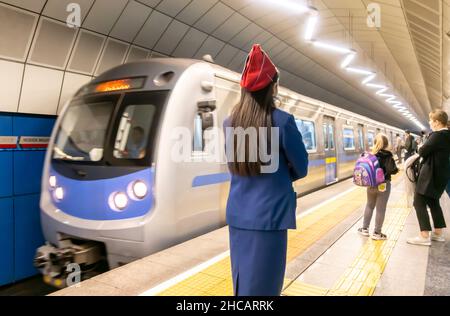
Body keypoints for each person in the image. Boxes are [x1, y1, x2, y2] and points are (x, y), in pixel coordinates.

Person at [224, 44, 309, 296]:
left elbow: (236, 166)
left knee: (242, 282)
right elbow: (302, 167)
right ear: (273, 87)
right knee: (265, 287)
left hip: (239, 217)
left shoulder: (230, 123)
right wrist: (282, 175)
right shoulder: (282, 121)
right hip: (270, 218)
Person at [408, 110, 450, 246]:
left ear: (437, 122)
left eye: (431, 120)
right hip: (440, 175)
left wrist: (421, 147)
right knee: (433, 202)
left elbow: (422, 151)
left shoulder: (438, 135)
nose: (430, 123)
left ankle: (424, 235)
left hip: (430, 176)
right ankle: (438, 233)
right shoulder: (447, 135)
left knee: (418, 202)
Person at [358, 134, 399, 240]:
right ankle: (377, 232)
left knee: (369, 206)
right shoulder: (388, 155)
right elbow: (392, 170)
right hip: (383, 185)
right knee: (381, 209)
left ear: (375, 143)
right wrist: (396, 169)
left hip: (371, 184)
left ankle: (364, 229)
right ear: (387, 144)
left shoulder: (371, 155)